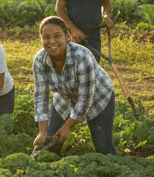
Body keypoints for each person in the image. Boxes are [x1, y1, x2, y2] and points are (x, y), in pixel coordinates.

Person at [32, 16, 117, 155]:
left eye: (57, 36)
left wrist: (67, 127)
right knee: (48, 147)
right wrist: (42, 132)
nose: (52, 41)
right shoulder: (40, 60)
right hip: (64, 99)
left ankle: (118, 172)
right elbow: (41, 96)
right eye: (46, 37)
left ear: (68, 36)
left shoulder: (83, 57)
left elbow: (84, 100)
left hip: (97, 98)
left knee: (103, 149)